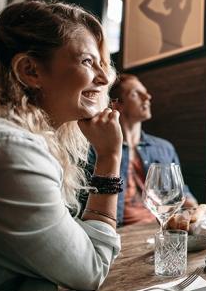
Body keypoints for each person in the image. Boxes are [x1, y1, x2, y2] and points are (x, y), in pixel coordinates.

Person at [0, 0, 122, 291]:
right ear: (30, 71)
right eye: (90, 62)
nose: (105, 79)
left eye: (104, 63)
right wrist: (109, 158)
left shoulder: (25, 139)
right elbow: (90, 268)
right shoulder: (9, 149)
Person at [82, 73, 198, 226]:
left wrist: (196, 212)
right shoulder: (95, 150)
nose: (147, 97)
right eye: (135, 94)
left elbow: (181, 192)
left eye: (146, 92)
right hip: (118, 232)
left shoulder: (164, 148)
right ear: (117, 105)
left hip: (159, 228)